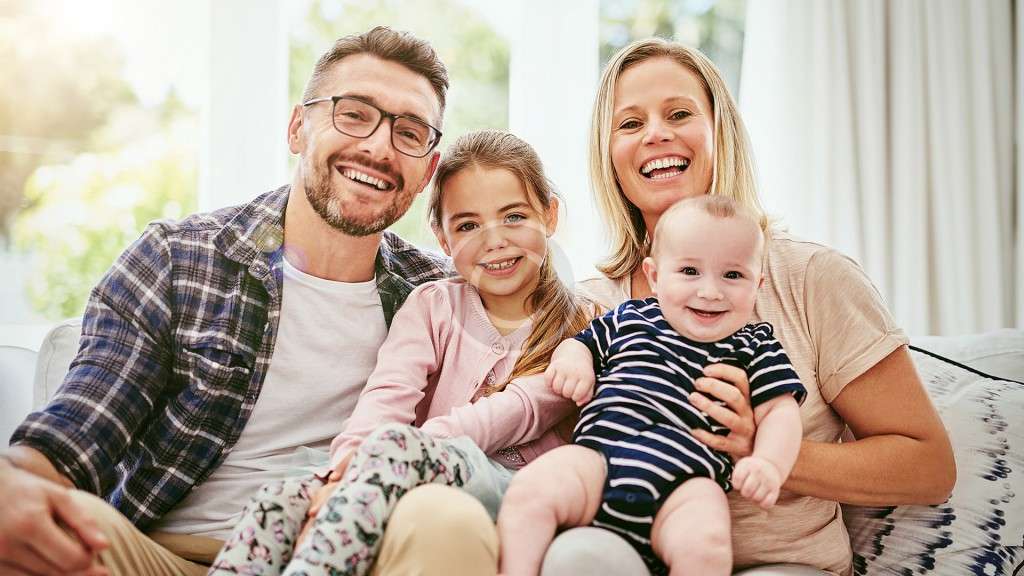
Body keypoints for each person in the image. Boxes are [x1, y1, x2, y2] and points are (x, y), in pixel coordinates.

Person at [0, 27, 496, 576]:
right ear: (298, 127)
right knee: (37, 521)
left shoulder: (444, 298)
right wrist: (13, 483)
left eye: (409, 133)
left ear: (427, 170)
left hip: (352, 555)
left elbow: (536, 365)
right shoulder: (178, 259)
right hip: (169, 557)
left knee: (449, 518)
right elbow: (78, 431)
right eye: (354, 114)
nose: (379, 148)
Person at [537, 38, 956, 576]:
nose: (656, 134)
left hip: (783, 565)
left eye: (679, 114)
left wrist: (768, 452)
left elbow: (928, 465)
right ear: (609, 155)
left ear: (721, 132)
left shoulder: (811, 278)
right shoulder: (589, 307)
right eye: (630, 123)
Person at [207, 129, 591, 576]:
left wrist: (403, 450)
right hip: (407, 467)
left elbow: (520, 410)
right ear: (443, 240)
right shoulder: (433, 305)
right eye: (468, 226)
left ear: (549, 215)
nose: (494, 240)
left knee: (391, 453)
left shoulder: (584, 324)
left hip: (515, 492)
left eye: (514, 217)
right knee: (281, 501)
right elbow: (386, 397)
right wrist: (342, 472)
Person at [499, 195, 806, 576]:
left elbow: (780, 411)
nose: (710, 291)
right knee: (530, 492)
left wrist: (769, 463)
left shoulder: (755, 344)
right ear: (656, 276)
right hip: (599, 463)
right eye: (690, 271)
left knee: (708, 544)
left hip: (684, 488)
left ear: (757, 284)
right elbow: (580, 344)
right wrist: (573, 364)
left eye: (733, 275)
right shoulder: (629, 318)